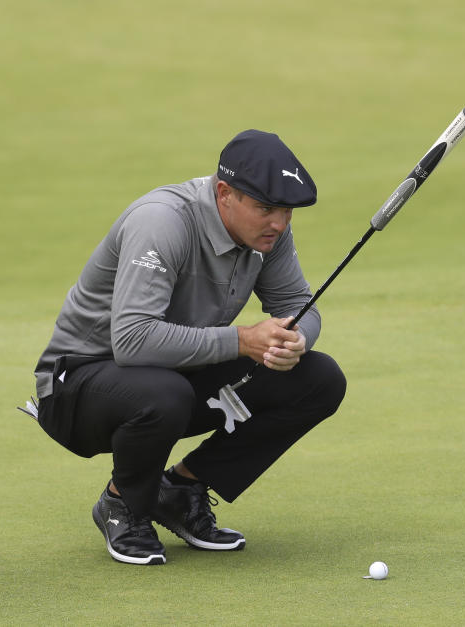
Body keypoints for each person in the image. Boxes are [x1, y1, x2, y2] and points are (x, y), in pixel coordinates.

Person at [29, 130, 347, 565]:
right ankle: (122, 503)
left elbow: (296, 306)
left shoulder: (267, 236)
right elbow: (133, 341)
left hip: (168, 373)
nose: (279, 222)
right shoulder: (162, 222)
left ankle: (180, 489)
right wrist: (242, 340)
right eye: (266, 209)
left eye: (287, 211)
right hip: (77, 386)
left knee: (317, 378)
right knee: (165, 393)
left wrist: (296, 338)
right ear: (224, 193)